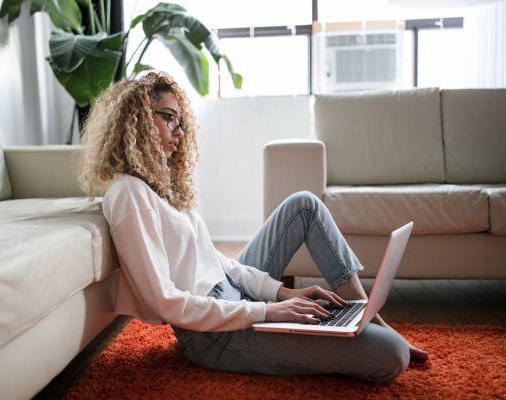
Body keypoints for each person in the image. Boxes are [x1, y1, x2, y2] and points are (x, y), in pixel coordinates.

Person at [75, 71, 428, 383]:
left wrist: (280, 294)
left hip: (233, 295)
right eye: (168, 118)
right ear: (135, 120)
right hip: (212, 334)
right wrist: (267, 311)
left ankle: (366, 315)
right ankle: (372, 330)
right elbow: (166, 303)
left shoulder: (159, 184)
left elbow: (216, 261)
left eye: (181, 121)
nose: (179, 131)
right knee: (392, 355)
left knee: (303, 204)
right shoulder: (128, 194)